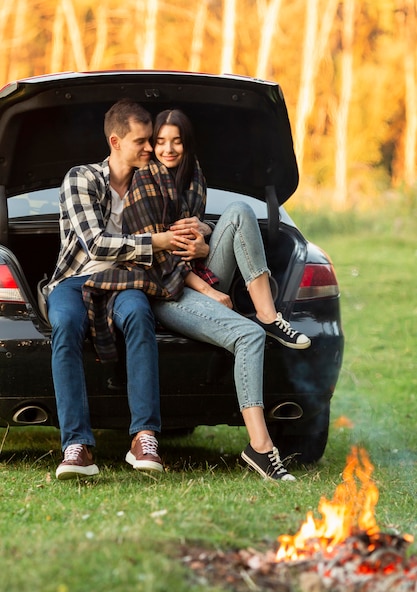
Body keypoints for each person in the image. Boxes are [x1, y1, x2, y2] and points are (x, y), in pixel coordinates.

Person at [134, 109, 311, 482]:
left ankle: (268, 314)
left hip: (199, 271)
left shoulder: (193, 175)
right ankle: (260, 449)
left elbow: (197, 239)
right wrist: (210, 291)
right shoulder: (143, 183)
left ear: (186, 143)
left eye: (176, 141)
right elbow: (157, 259)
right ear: (152, 144)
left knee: (240, 211)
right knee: (248, 337)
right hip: (167, 291)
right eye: (161, 141)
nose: (169, 149)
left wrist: (205, 238)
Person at [45, 99, 171, 480]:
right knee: (65, 326)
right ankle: (76, 446)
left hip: (126, 279)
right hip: (75, 278)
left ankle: (144, 438)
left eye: (151, 140)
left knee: (138, 314)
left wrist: (199, 232)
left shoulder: (152, 181)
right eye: (142, 141)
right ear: (115, 141)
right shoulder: (81, 178)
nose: (150, 148)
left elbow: (185, 217)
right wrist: (156, 242)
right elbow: (96, 245)